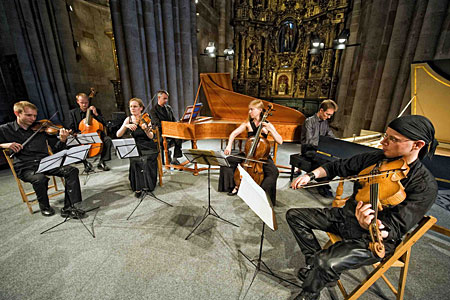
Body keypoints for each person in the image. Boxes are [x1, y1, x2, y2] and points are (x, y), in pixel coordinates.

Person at [287, 115, 438, 300]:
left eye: (393, 139)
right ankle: (316, 268)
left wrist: (371, 225)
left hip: (371, 238)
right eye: (386, 135)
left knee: (325, 260)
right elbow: (337, 167)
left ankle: (310, 293)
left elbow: (396, 228)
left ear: (418, 145)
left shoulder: (424, 185)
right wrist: (310, 176)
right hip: (344, 217)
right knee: (294, 216)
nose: (383, 142)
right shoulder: (376, 158)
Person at [0, 101, 85, 218]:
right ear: (17, 113)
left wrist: (62, 140)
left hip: (45, 162)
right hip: (25, 166)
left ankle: (69, 207)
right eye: (29, 115)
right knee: (39, 179)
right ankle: (44, 206)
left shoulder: (41, 128)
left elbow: (56, 150)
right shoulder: (6, 129)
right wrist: (5, 145)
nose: (33, 119)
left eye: (35, 115)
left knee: (72, 170)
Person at [218, 100, 283, 206]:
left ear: (260, 110)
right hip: (248, 154)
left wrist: (271, 129)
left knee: (274, 172)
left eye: (252, 109)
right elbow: (233, 134)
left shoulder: (267, 125)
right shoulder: (248, 123)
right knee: (227, 161)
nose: (249, 112)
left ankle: (262, 194)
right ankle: (235, 186)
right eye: (249, 109)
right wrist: (229, 145)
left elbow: (280, 141)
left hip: (261, 157)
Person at [117, 98, 158, 197]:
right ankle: (138, 187)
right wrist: (126, 126)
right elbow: (118, 134)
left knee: (147, 160)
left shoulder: (146, 118)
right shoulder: (129, 119)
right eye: (131, 106)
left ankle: (148, 185)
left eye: (135, 106)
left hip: (148, 146)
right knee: (134, 160)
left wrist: (146, 130)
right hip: (135, 146)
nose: (132, 108)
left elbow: (151, 137)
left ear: (141, 108)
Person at [299, 99, 338, 197]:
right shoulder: (309, 121)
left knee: (335, 160)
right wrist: (323, 145)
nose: (328, 117)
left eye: (330, 115)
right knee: (324, 160)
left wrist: (339, 142)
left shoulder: (325, 122)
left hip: (320, 149)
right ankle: (322, 185)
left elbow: (330, 135)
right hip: (308, 150)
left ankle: (324, 182)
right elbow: (309, 141)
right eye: (327, 114)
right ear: (321, 110)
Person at [68, 92, 113, 171]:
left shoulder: (95, 110)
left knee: (108, 140)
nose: (85, 105)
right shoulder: (73, 113)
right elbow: (71, 126)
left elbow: (104, 123)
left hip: (96, 134)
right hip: (81, 135)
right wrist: (72, 132)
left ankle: (102, 161)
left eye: (86, 102)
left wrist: (96, 114)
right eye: (82, 103)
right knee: (72, 143)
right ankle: (86, 164)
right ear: (77, 102)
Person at [149, 90, 182, 165]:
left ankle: (174, 158)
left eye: (167, 99)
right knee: (164, 141)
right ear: (159, 98)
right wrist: (169, 127)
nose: (166, 101)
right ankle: (167, 155)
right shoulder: (153, 110)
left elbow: (173, 119)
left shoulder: (168, 108)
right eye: (164, 98)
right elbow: (157, 123)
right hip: (160, 132)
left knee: (179, 138)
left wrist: (177, 123)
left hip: (170, 131)